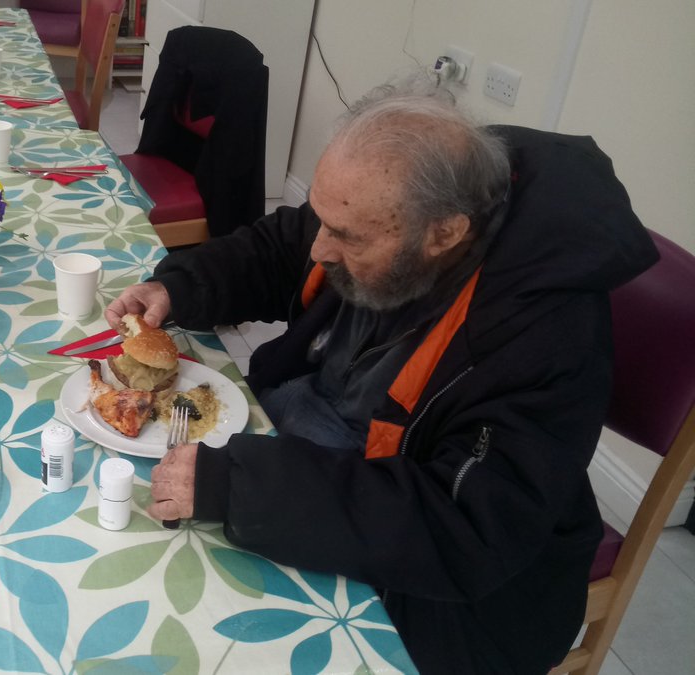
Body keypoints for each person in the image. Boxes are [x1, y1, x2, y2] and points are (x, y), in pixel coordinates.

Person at [106, 83, 658, 674]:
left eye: (346, 237)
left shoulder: (547, 334)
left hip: (450, 585)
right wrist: (178, 286)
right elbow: (281, 248)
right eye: (324, 220)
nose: (321, 248)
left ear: (445, 233)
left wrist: (243, 487)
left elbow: (464, 528)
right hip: (317, 472)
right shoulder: (381, 211)